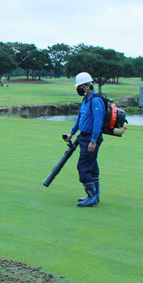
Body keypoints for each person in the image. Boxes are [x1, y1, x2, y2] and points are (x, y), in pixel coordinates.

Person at [64, 72, 104, 207]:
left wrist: (93, 141)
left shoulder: (96, 101)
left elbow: (98, 122)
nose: (78, 89)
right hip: (83, 137)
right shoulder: (85, 100)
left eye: (80, 87)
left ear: (88, 85)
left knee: (83, 166)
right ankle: (94, 198)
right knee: (91, 167)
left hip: (91, 139)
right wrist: (71, 133)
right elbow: (80, 119)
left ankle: (92, 197)